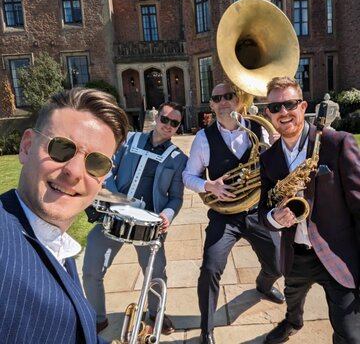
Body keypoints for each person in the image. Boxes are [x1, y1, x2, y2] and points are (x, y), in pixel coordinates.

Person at [0, 88, 128, 344]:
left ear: (102, 179)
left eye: (96, 163)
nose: (75, 172)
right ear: (26, 147)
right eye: (61, 148)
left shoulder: (52, 239)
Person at [258, 76, 360, 344]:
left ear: (303, 106)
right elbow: (263, 209)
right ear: (268, 113)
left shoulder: (337, 143)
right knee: (293, 296)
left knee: (350, 335)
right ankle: (293, 321)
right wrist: (274, 218)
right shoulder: (267, 158)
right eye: (275, 107)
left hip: (337, 253)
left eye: (290, 104)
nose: (283, 112)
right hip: (296, 254)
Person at [182, 82, 284, 344]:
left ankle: (264, 284)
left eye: (229, 96)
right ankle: (207, 329)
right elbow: (187, 175)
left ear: (239, 100)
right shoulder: (203, 138)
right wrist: (209, 185)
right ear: (212, 104)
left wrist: (277, 146)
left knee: (278, 263)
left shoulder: (259, 128)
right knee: (210, 268)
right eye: (218, 98)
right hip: (224, 216)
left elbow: (277, 167)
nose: (224, 101)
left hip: (257, 212)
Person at [82, 101, 188, 335]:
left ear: (178, 126)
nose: (168, 125)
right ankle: (98, 317)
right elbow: (108, 169)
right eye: (165, 119)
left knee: (156, 273)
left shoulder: (179, 158)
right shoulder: (130, 140)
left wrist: (168, 214)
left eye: (174, 122)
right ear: (157, 117)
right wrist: (114, 198)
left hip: (150, 226)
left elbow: (176, 198)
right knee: (91, 269)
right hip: (114, 216)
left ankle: (156, 313)